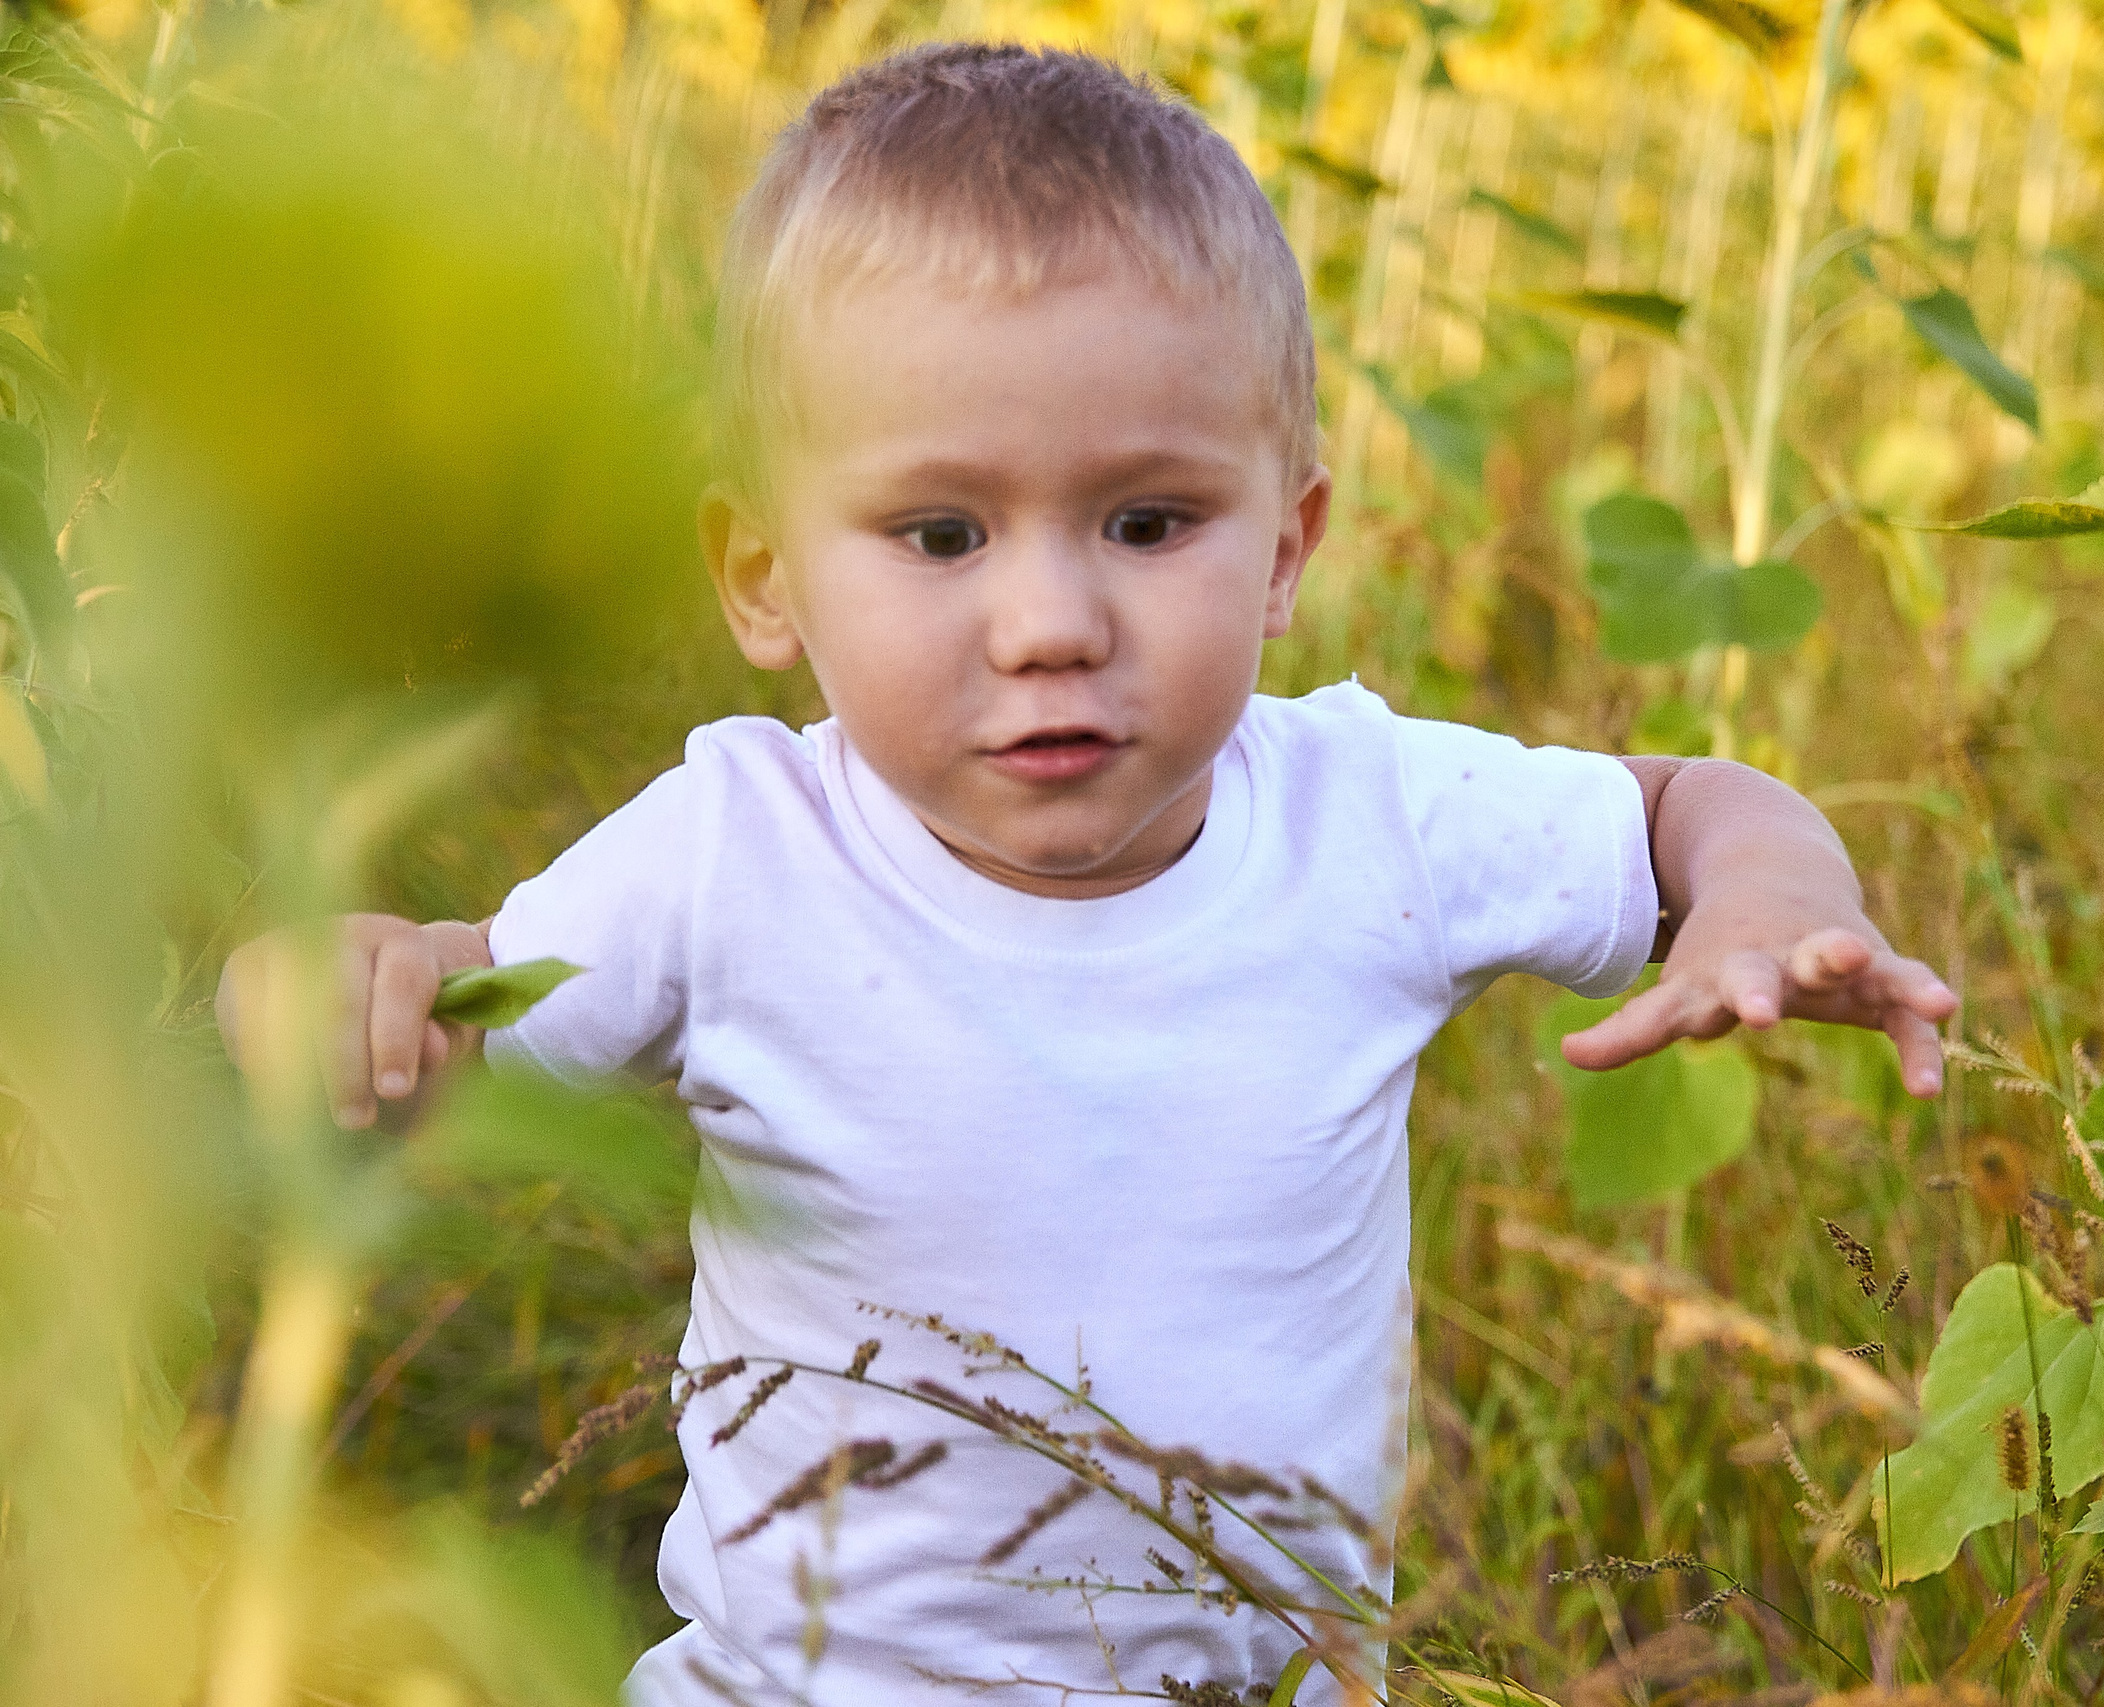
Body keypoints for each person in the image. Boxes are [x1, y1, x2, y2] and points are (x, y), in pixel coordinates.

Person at [218, 42, 1956, 1707]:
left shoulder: (1366, 818)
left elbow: (1696, 808)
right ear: (763, 574)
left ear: (1284, 550)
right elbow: (455, 1031)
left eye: (1146, 524)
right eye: (941, 534)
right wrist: (349, 988)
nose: (1051, 624)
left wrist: (1768, 901)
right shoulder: (734, 854)